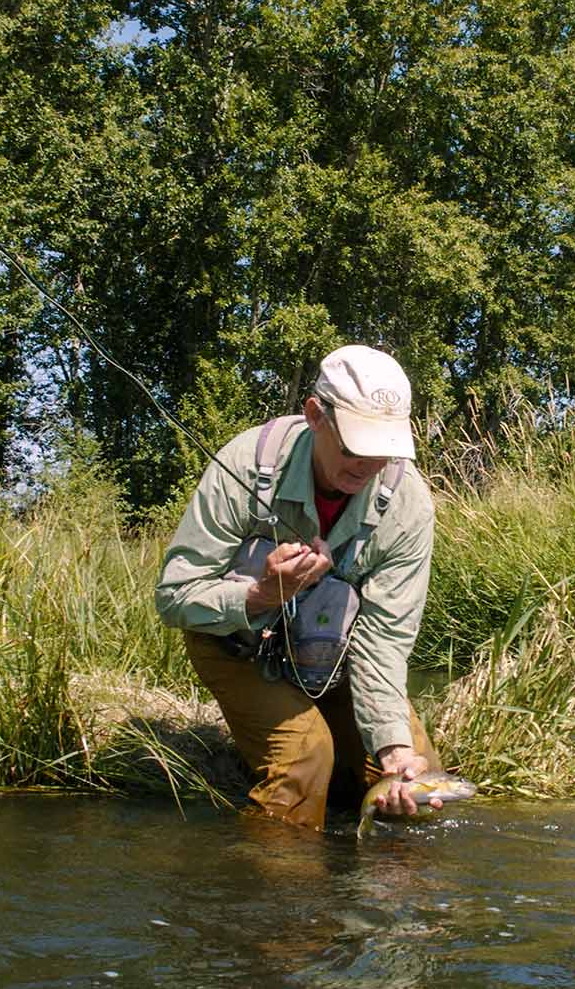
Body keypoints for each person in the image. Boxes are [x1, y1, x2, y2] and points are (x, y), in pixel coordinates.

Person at [155, 344, 443, 830]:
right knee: (306, 759)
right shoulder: (245, 463)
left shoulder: (408, 507)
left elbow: (385, 642)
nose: (368, 466)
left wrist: (393, 748)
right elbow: (175, 597)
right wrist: (262, 594)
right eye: (355, 447)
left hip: (334, 659)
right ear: (315, 415)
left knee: (417, 781)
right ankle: (280, 899)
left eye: (384, 449)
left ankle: (379, 899)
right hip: (236, 648)